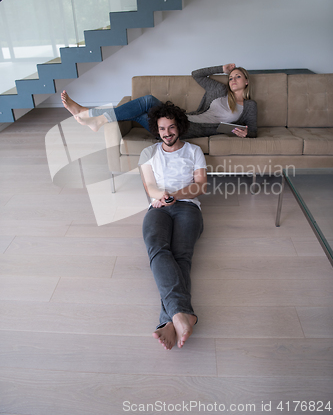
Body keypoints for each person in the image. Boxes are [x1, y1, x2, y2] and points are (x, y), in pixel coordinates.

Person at [139, 101, 207, 350]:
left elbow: (200, 185)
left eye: (171, 127)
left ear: (180, 127)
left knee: (181, 256)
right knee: (157, 248)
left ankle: (169, 320)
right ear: (157, 130)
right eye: (162, 128)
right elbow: (149, 186)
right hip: (158, 207)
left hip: (188, 207)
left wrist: (176, 194)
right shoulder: (149, 153)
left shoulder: (194, 151)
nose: (167, 133)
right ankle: (183, 315)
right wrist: (162, 196)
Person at [61, 63, 257, 138]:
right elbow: (196, 74)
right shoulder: (218, 89)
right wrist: (221, 68)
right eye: (231, 77)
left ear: (246, 81)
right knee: (142, 108)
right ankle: (94, 117)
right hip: (183, 119)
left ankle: (91, 115)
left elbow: (254, 131)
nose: (233, 80)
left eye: (238, 76)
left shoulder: (249, 106)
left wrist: (246, 132)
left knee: (147, 101)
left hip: (189, 129)